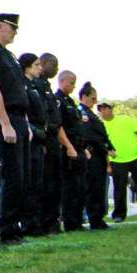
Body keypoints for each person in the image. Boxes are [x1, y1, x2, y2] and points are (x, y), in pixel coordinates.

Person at [0, 12, 30, 245]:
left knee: (22, 177)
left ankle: (17, 227)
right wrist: (5, 124)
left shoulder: (8, 55)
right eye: (12, 28)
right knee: (12, 177)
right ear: (0, 27)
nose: (14, 33)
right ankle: (8, 230)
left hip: (19, 119)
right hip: (8, 118)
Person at [99, 101, 137, 222]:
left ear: (111, 109)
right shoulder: (101, 126)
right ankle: (119, 215)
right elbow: (104, 146)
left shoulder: (125, 119)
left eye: (106, 108)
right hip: (117, 160)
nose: (103, 111)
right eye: (101, 109)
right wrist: (108, 164)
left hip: (136, 158)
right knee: (119, 189)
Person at [19, 53, 49, 236]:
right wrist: (34, 130)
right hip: (30, 137)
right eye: (36, 65)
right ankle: (28, 224)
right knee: (29, 184)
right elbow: (24, 112)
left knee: (38, 183)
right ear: (27, 67)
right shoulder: (21, 84)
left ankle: (36, 222)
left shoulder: (34, 85)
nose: (40, 68)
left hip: (39, 139)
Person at [78, 83, 113, 230]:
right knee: (93, 188)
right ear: (84, 97)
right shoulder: (83, 113)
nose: (95, 101)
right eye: (92, 98)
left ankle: (98, 218)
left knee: (99, 188)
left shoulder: (92, 114)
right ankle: (94, 218)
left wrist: (109, 146)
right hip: (92, 154)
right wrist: (104, 146)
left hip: (99, 155)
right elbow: (89, 135)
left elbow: (103, 134)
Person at [36, 54, 64, 234]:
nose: (56, 69)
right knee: (46, 184)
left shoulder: (47, 86)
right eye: (54, 65)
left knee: (56, 183)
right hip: (44, 138)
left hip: (54, 139)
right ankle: (45, 222)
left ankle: (53, 221)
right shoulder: (36, 84)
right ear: (44, 64)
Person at [55, 70, 86, 231]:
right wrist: (68, 146)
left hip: (78, 147)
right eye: (71, 82)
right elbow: (59, 126)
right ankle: (71, 222)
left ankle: (78, 221)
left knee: (80, 187)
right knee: (70, 187)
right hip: (69, 148)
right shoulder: (58, 100)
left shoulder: (70, 101)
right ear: (62, 81)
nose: (74, 86)